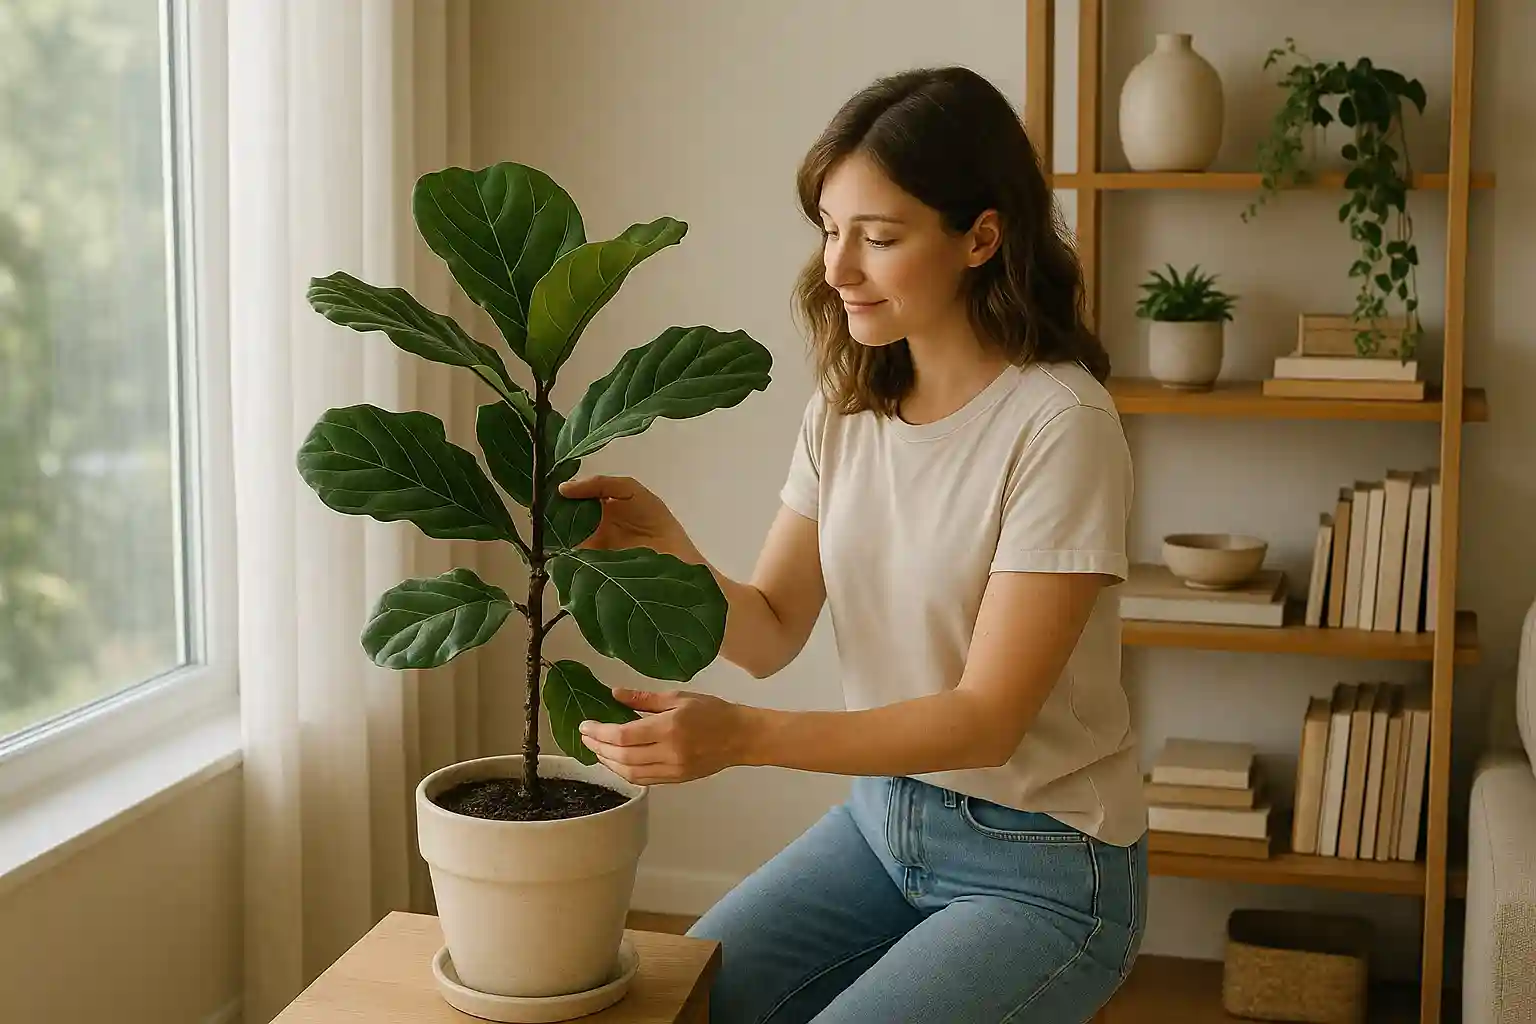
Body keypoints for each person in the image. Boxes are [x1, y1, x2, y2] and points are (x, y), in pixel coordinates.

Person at [561, 65, 1146, 1024]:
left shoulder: (1059, 423)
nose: (838, 268)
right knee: (677, 1003)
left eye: (878, 237)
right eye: (830, 230)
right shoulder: (846, 407)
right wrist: (665, 546)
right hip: (883, 828)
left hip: (1042, 865)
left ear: (981, 239)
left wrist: (744, 739)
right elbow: (772, 629)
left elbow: (985, 721)